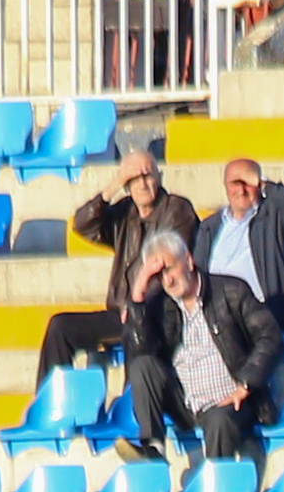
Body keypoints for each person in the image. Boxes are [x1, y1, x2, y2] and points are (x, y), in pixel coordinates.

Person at [117, 230, 284, 468]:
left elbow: (270, 337)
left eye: (170, 269)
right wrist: (138, 296)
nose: (168, 280)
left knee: (219, 420)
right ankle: (153, 448)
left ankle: (215, 487)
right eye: (159, 276)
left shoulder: (231, 291)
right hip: (185, 402)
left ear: (188, 260)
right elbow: (138, 350)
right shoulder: (158, 304)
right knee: (143, 365)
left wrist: (246, 384)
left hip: (231, 401)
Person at [39, 145, 199, 382]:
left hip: (161, 312)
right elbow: (82, 225)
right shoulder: (126, 212)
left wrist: (138, 302)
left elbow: (170, 266)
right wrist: (113, 185)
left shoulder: (177, 210)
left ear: (159, 177)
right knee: (60, 327)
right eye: (134, 179)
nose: (143, 184)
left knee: (136, 336)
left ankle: (134, 407)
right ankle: (50, 402)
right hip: (120, 312)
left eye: (148, 176)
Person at [187, 155, 284, 319]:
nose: (241, 191)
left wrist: (265, 185)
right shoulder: (209, 226)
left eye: (248, 183)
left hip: (265, 311)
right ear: (225, 185)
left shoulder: (274, 217)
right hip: (220, 312)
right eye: (235, 183)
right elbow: (198, 272)